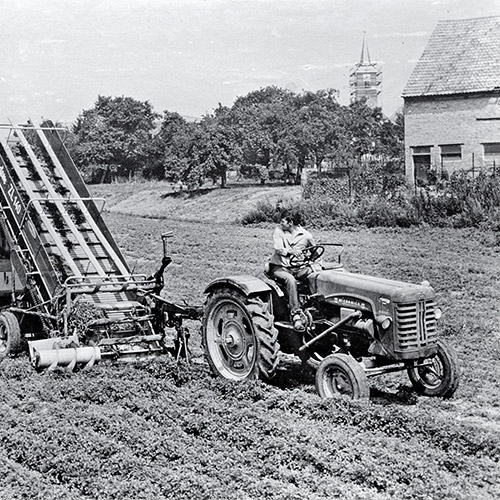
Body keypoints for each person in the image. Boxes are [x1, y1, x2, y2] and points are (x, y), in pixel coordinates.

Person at [268, 211, 315, 331]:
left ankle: (315, 305)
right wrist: (291, 251)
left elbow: (315, 252)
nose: (280, 223)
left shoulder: (306, 236)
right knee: (290, 280)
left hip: (297, 268)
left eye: (283, 221)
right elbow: (278, 248)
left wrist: (310, 260)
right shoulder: (279, 231)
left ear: (291, 223)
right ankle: (296, 314)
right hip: (280, 268)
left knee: (314, 274)